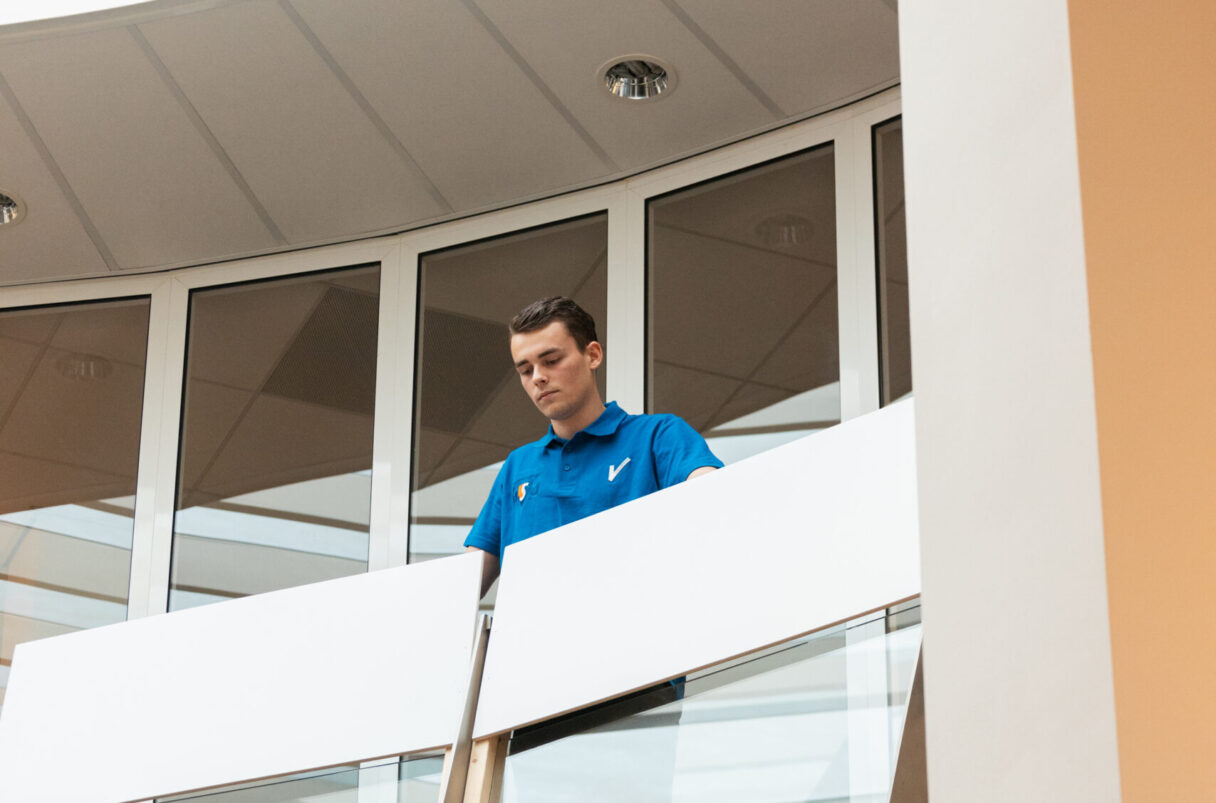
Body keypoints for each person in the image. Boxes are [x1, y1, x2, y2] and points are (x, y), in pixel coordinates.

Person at [464, 296, 722, 597]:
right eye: (525, 370)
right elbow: (461, 590)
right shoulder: (517, 467)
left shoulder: (658, 436)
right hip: (529, 640)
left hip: (635, 633)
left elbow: (716, 499)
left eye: (551, 361)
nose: (538, 378)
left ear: (593, 355)